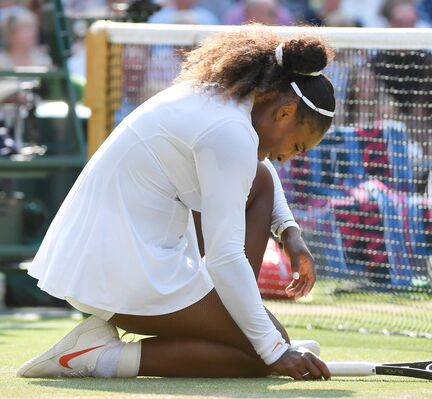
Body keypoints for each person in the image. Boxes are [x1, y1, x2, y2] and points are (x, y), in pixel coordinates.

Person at [16, 25, 336, 380]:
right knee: (259, 354)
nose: (287, 157)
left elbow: (257, 175)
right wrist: (273, 349)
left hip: (101, 259)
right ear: (285, 113)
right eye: (296, 146)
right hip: (117, 273)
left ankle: (229, 327)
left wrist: (289, 231)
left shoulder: (222, 99)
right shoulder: (230, 132)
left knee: (259, 185)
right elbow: (224, 256)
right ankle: (96, 356)